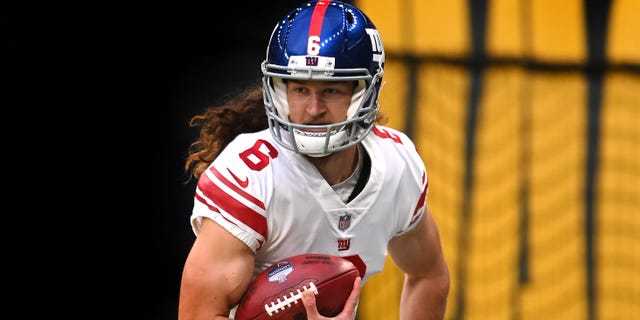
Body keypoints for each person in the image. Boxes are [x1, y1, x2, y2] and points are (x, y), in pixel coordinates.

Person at [178, 1, 450, 319]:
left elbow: (429, 275)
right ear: (279, 92)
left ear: (366, 93)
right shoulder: (251, 178)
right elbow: (196, 314)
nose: (313, 109)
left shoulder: (397, 165)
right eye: (300, 89)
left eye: (331, 90)